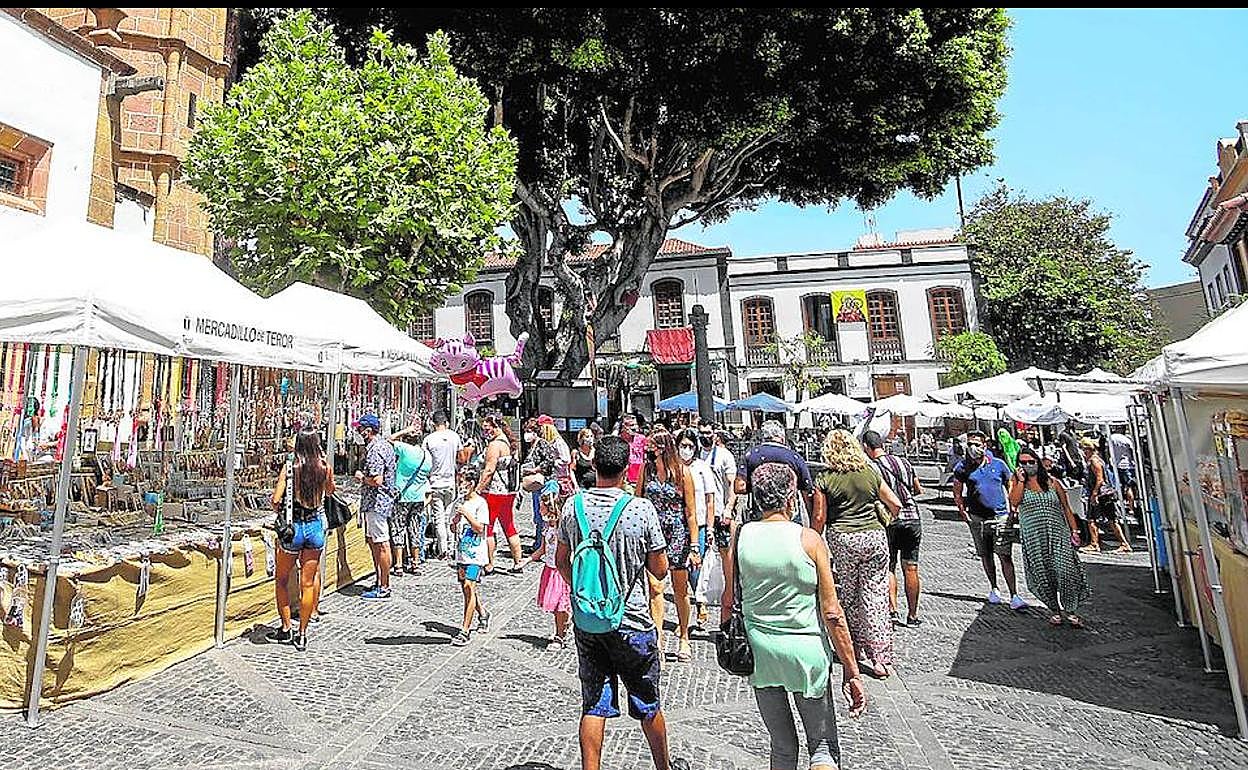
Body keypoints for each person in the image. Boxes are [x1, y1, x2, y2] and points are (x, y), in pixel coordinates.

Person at [554, 436, 688, 770]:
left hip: (588, 620)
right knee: (647, 702)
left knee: (593, 704)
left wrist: (585, 590)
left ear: (594, 465)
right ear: (627, 469)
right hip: (632, 620)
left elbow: (561, 560)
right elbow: (659, 569)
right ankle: (663, 767)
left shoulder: (574, 506)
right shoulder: (639, 509)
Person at [724, 463, 866, 770]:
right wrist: (851, 669)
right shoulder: (810, 540)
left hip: (761, 652)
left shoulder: (741, 536)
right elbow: (833, 612)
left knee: (783, 746)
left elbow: (727, 600)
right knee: (823, 748)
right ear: (791, 499)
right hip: (807, 653)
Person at [814, 429, 900, 679]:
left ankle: (855, 647)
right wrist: (883, 522)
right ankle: (881, 658)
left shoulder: (826, 478)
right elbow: (895, 504)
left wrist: (814, 539)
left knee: (849, 595)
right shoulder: (870, 473)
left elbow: (819, 518)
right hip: (874, 537)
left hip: (843, 538)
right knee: (875, 596)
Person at [638, 427, 701, 662]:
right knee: (655, 588)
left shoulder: (683, 473)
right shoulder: (647, 471)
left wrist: (694, 546)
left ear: (663, 449)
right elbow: (639, 499)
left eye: (651, 448)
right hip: (653, 534)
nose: (647, 452)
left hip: (677, 533)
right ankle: (658, 641)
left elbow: (691, 513)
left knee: (680, 590)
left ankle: (684, 636)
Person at [268, 429, 334, 650]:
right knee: (307, 583)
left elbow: (276, 500)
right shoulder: (324, 468)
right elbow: (330, 491)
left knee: (282, 580)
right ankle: (302, 632)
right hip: (315, 526)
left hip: (294, 527)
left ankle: (286, 627)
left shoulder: (290, 469)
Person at [1011, 447, 1091, 629]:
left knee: (1066, 571)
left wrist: (1075, 531)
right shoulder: (1016, 482)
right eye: (1022, 462)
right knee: (1043, 574)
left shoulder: (1053, 483)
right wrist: (1022, 481)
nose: (1027, 465)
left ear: (1037, 462)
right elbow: (1014, 502)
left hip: (1058, 533)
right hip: (1034, 537)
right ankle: (1054, 609)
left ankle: (1070, 610)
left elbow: (1066, 508)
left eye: (1030, 462)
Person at [953, 430, 1027, 609]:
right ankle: (994, 588)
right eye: (969, 444)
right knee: (986, 555)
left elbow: (1010, 483)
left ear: (984, 446)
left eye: (976, 444)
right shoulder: (962, 467)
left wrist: (1012, 506)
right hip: (977, 517)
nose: (972, 447)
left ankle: (1014, 595)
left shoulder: (999, 464)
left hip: (1000, 516)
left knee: (1004, 555)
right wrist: (962, 510)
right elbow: (957, 490)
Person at [862, 430, 924, 627]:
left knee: (889, 567)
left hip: (889, 519)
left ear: (866, 447)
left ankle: (893, 610)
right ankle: (913, 615)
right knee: (911, 566)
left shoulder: (871, 468)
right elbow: (917, 489)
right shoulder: (903, 462)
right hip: (912, 518)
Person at [736, 420, 818, 530]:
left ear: (763, 437)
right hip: (789, 513)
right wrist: (813, 525)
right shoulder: (794, 457)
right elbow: (807, 492)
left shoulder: (751, 454)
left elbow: (739, 487)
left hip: (760, 512)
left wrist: (758, 485)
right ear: (782, 437)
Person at [355, 413, 396, 600]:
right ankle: (380, 580)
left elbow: (377, 480)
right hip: (378, 501)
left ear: (368, 431)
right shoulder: (385, 445)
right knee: (376, 542)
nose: (357, 432)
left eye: (359, 429)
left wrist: (362, 478)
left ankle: (384, 586)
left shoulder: (374, 449)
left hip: (377, 502)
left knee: (381, 543)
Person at [478, 412, 525, 574]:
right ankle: (518, 561)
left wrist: (478, 489)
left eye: (487, 428)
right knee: (509, 525)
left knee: (488, 527)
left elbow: (489, 469)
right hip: (509, 491)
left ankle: (489, 564)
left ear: (495, 426)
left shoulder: (495, 445)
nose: (485, 432)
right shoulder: (508, 443)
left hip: (494, 492)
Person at [528, 480, 571, 647]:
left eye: (541, 507)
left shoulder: (562, 529)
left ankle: (560, 635)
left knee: (561, 604)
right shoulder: (547, 528)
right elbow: (542, 550)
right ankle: (561, 629)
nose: (539, 511)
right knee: (556, 605)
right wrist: (526, 561)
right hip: (550, 569)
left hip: (561, 570)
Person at [451, 464, 490, 646]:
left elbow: (480, 528)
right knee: (468, 590)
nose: (461, 485)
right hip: (461, 554)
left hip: (476, 555)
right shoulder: (459, 502)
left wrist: (466, 514)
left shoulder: (480, 503)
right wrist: (455, 520)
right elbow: (452, 527)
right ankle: (482, 613)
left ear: (472, 483)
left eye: (464, 482)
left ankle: (465, 630)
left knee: (468, 586)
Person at [389, 422, 433, 575]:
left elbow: (389, 439)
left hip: (402, 496)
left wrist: (404, 430)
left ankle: (399, 565)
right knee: (414, 528)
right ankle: (415, 563)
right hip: (419, 496)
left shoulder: (404, 449)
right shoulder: (427, 455)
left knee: (398, 528)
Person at [1081, 437, 1133, 554]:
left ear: (1089, 449)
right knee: (1110, 520)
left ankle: (1094, 544)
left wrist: (1094, 494)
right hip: (1103, 494)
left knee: (1092, 519)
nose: (1084, 452)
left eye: (1085, 449)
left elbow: (1100, 479)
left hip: (1100, 494)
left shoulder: (1094, 461)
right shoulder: (1098, 459)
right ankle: (1123, 543)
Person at [422, 410, 461, 561]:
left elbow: (425, 461)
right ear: (446, 422)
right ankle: (451, 548)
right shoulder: (454, 436)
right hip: (450, 481)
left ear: (433, 424)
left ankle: (443, 549)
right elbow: (460, 456)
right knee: (448, 516)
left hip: (435, 482)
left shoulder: (429, 439)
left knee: (438, 518)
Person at [1109, 429, 1138, 514]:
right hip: (1128, 465)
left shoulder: (1111, 438)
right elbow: (1133, 451)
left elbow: (1107, 451)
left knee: (1119, 486)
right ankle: (1131, 508)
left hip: (1116, 465)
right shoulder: (1126, 439)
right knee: (1129, 487)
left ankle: (1121, 506)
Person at [618, 413, 649, 492]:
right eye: (630, 425)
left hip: (641, 478)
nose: (634, 428)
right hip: (626, 479)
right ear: (623, 426)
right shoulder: (619, 440)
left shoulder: (642, 438)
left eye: (635, 425)